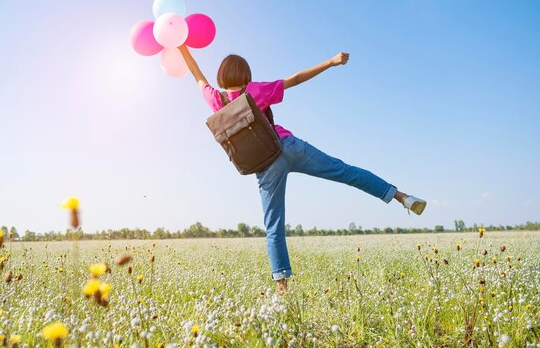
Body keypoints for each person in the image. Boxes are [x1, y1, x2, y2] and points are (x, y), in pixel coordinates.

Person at [178, 45, 426, 295]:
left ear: (222, 75)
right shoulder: (253, 90)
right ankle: (402, 197)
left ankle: (282, 290)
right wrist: (330, 62)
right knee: (345, 172)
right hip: (288, 146)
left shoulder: (215, 100)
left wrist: (181, 46)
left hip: (265, 165)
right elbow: (294, 79)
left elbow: (197, 74)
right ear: (246, 74)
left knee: (273, 225)